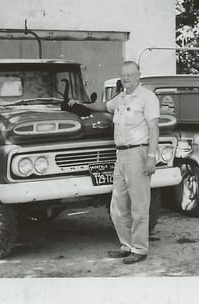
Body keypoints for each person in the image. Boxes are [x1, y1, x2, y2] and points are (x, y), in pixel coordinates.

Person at [68, 61, 160, 264]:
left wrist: (151, 157)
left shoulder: (147, 98)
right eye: (123, 75)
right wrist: (81, 104)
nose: (126, 78)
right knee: (117, 206)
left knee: (139, 206)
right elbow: (104, 106)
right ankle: (126, 246)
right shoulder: (121, 98)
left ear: (138, 76)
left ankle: (139, 249)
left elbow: (154, 129)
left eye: (130, 75)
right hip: (121, 156)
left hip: (139, 154)